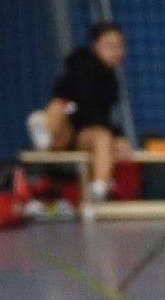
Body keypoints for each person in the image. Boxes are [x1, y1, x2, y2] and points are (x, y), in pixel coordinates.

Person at [35, 21, 128, 203]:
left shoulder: (111, 82)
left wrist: (116, 136)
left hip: (82, 135)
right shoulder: (79, 68)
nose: (116, 51)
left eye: (120, 45)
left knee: (103, 138)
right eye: (110, 45)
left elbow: (98, 117)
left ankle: (99, 190)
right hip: (63, 132)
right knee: (58, 106)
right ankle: (44, 138)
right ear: (95, 45)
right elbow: (80, 103)